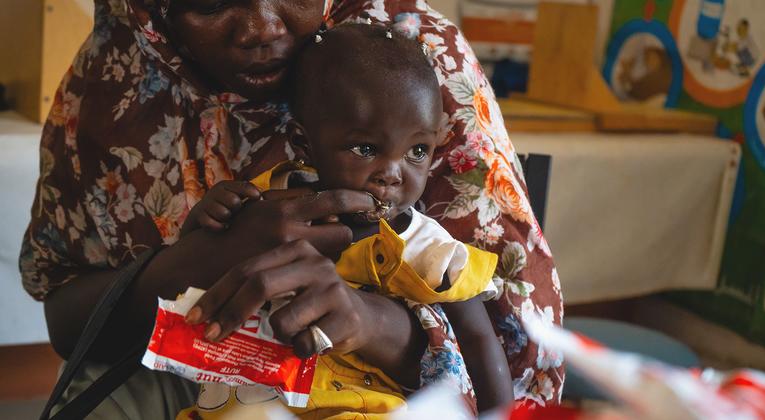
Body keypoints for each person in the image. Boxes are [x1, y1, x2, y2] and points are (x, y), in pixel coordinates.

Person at [20, 0, 563, 417]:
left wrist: (369, 322)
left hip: (389, 391)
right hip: (195, 377)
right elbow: (71, 327)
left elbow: (517, 365)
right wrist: (189, 266)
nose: (260, 27)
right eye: (212, 1)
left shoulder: (414, 62)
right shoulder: (116, 73)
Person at [179, 23, 512, 417]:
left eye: (418, 150)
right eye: (366, 148)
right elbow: (192, 270)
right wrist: (206, 219)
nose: (393, 172)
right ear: (306, 144)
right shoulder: (266, 204)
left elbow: (477, 339)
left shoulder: (426, 247)